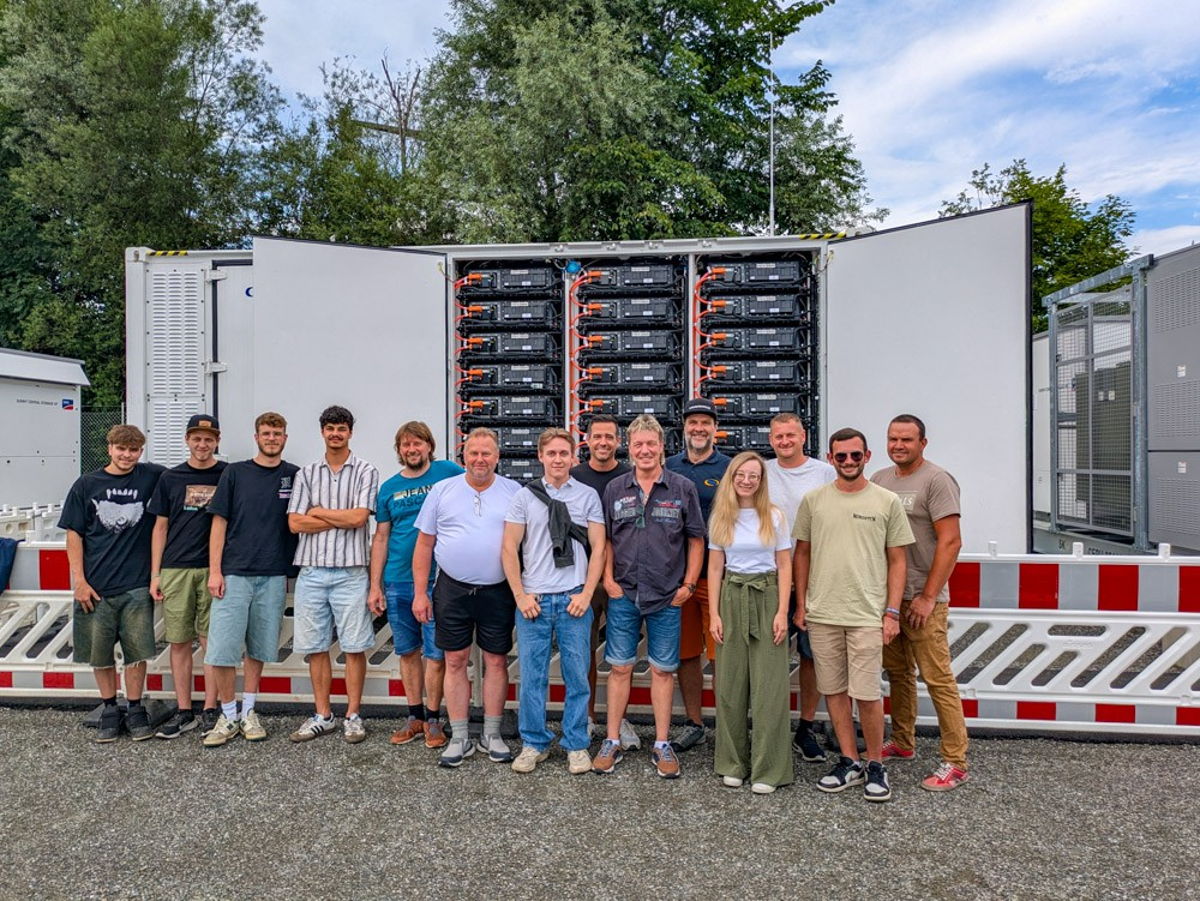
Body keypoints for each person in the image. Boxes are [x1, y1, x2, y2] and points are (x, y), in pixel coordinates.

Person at [792, 427, 913, 802]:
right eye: (841, 456)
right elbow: (802, 553)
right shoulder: (814, 501)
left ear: (867, 457)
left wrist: (891, 612)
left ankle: (875, 763)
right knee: (833, 690)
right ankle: (849, 760)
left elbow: (898, 559)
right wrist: (802, 604)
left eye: (855, 455)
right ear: (830, 458)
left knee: (867, 694)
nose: (848, 461)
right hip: (823, 613)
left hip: (866, 614)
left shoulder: (886, 501)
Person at [593, 414, 704, 778]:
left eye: (651, 444)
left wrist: (688, 585)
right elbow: (607, 539)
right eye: (638, 444)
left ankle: (661, 743)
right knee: (620, 667)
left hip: (666, 595)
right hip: (624, 593)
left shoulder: (682, 488)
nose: (645, 450)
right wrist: (608, 580)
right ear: (630, 447)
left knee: (662, 670)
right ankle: (611, 739)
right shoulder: (616, 489)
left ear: (661, 447)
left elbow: (696, 539)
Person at [871, 414, 969, 791]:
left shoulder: (936, 480)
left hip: (924, 598)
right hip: (891, 598)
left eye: (907, 440)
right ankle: (903, 741)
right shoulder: (880, 479)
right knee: (898, 673)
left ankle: (955, 761)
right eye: (893, 439)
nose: (898, 445)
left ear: (922, 443)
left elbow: (951, 541)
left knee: (938, 678)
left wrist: (928, 596)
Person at [412, 427, 521, 767]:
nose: (479, 459)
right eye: (473, 453)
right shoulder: (443, 491)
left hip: (498, 590)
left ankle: (492, 734)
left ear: (497, 457)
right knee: (455, 660)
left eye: (486, 453)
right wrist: (420, 593)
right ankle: (460, 736)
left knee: (496, 661)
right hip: (452, 589)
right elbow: (424, 544)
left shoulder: (514, 492)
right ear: (464, 456)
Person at [502, 428, 607, 774]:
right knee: (532, 678)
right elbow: (509, 548)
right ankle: (534, 743)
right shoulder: (523, 497)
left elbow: (599, 548)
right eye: (552, 453)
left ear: (573, 457)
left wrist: (587, 594)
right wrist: (520, 595)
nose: (558, 459)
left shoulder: (588, 496)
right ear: (540, 457)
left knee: (577, 676)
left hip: (573, 598)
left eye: (564, 453)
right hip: (534, 601)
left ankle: (576, 744)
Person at [59, 425, 164, 743]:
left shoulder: (152, 476)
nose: (127, 455)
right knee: (99, 653)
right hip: (96, 586)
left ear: (141, 451)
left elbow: (185, 479)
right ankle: (108, 707)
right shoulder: (87, 484)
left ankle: (135, 707)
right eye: (121, 449)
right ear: (109, 448)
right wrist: (79, 580)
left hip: (136, 583)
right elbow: (74, 534)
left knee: (137, 652)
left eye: (133, 450)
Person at [202, 412, 299, 747]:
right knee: (223, 649)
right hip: (234, 573)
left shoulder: (294, 475)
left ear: (285, 438)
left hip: (273, 574)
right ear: (256, 437)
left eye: (277, 433)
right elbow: (219, 523)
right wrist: (215, 570)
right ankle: (227, 714)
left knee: (259, 647)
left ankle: (249, 711)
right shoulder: (235, 473)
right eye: (266, 433)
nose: (272, 438)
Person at [287, 405, 380, 744]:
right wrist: (337, 517)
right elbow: (295, 523)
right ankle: (323, 715)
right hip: (311, 572)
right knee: (315, 648)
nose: (336, 434)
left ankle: (353, 716)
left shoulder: (366, 471)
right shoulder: (307, 473)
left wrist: (319, 512)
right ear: (322, 432)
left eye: (341, 428)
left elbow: (359, 518)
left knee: (354, 647)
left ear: (350, 432)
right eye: (330, 428)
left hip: (351, 572)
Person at [368, 421, 463, 750]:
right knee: (407, 651)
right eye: (406, 445)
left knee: (436, 653)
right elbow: (381, 537)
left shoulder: (448, 472)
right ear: (399, 450)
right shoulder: (388, 488)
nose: (412, 449)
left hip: (439, 579)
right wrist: (375, 585)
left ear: (429, 446)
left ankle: (434, 719)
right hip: (398, 580)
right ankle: (414, 717)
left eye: (417, 443)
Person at [707, 452, 793, 794]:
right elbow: (715, 567)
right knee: (731, 685)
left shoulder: (774, 516)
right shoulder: (721, 517)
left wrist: (782, 611)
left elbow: (784, 565)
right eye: (741, 474)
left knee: (769, 688)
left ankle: (768, 769)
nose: (746, 481)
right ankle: (733, 763)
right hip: (732, 595)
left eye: (753, 476)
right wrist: (714, 614)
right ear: (732, 477)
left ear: (761, 481)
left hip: (766, 595)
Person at [148, 414, 227, 739]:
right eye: (196, 438)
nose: (202, 444)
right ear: (187, 440)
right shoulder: (170, 477)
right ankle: (184, 710)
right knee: (179, 641)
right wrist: (155, 574)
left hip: (213, 568)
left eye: (208, 439)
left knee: (212, 641)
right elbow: (160, 527)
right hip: (176, 567)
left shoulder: (228, 475)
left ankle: (210, 709)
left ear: (217, 441)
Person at [764, 412, 835, 762]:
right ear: (770, 440)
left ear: (803, 436)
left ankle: (806, 727)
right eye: (779, 436)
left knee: (811, 655)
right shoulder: (762, 472)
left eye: (790, 435)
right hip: (770, 577)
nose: (785, 441)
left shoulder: (824, 473)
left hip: (814, 578)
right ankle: (772, 726)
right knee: (770, 655)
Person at [568, 414, 639, 749]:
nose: (603, 442)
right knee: (583, 653)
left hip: (622, 578)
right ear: (587, 440)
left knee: (622, 656)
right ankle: (587, 718)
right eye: (597, 436)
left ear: (618, 441)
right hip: (582, 579)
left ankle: (619, 719)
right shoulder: (574, 477)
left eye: (609, 437)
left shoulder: (630, 477)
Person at [664, 397, 730, 752]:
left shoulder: (730, 468)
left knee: (722, 656)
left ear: (715, 428)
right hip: (678, 580)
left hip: (718, 577)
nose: (699, 428)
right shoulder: (669, 466)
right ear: (684, 427)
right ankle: (694, 723)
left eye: (706, 423)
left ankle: (727, 729)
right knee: (686, 655)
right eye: (693, 422)